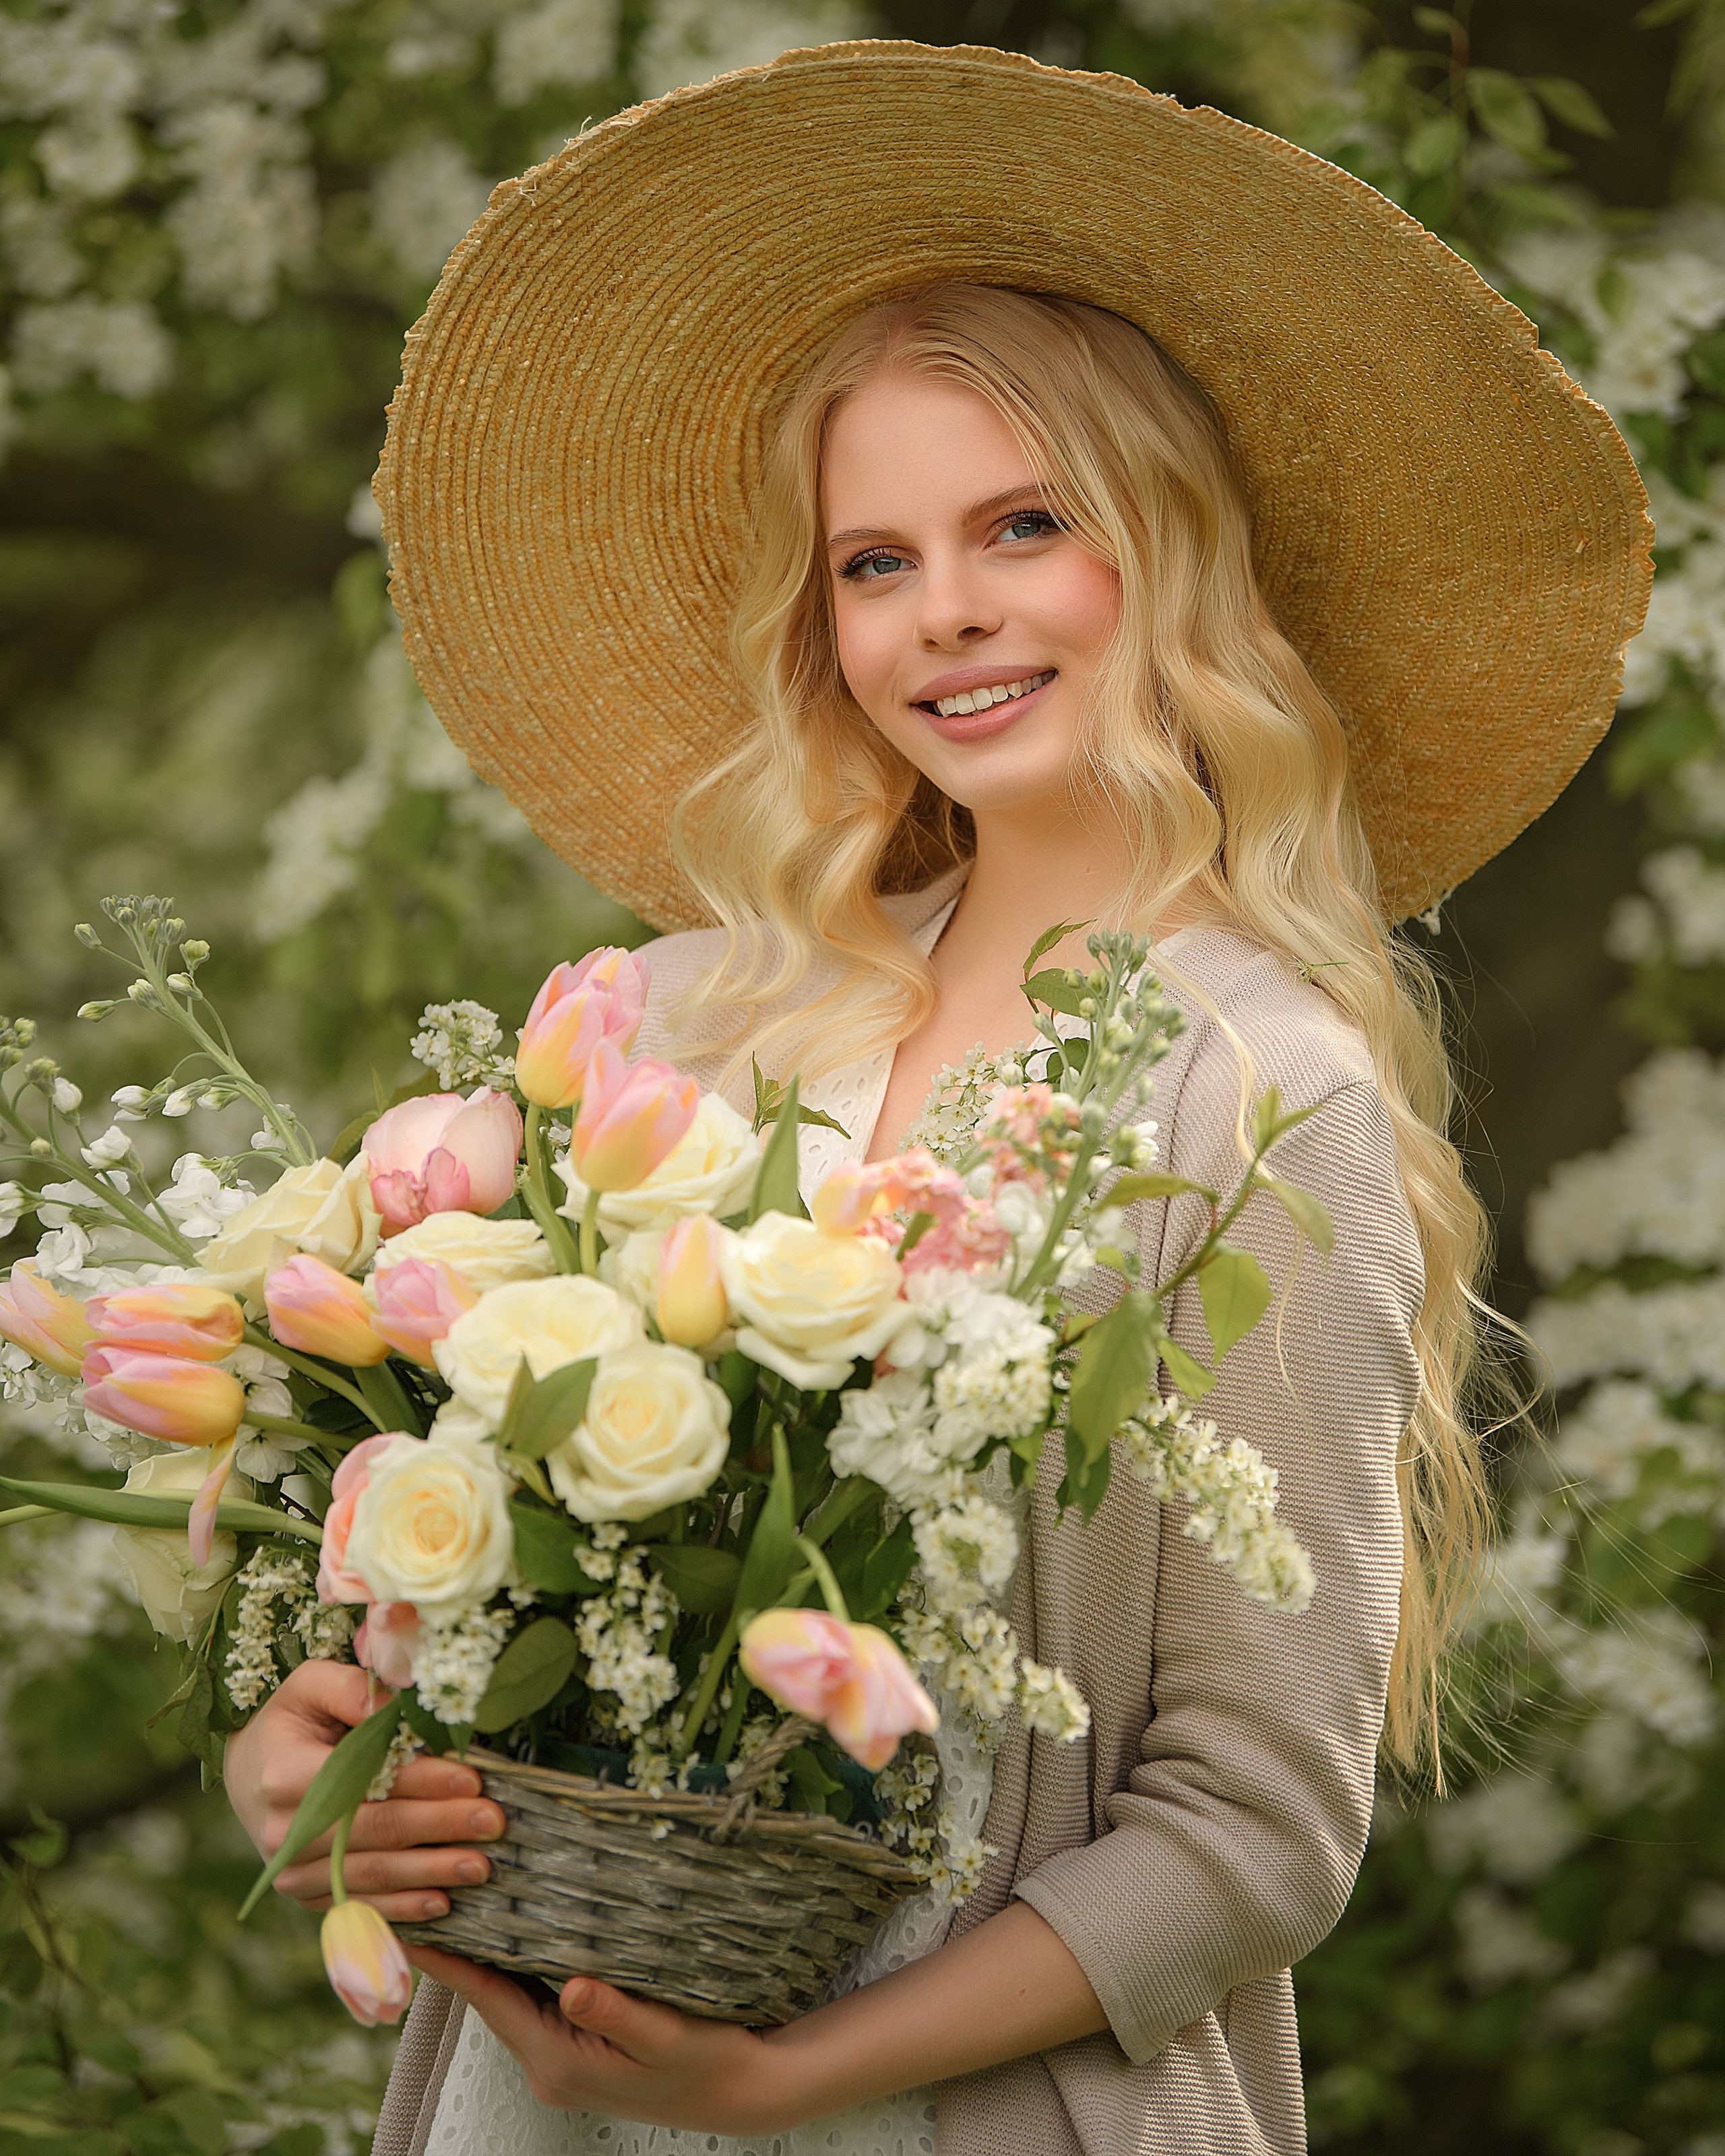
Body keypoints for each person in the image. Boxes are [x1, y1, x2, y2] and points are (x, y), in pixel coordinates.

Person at [224, 42, 1650, 2156]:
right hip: (552, 2096)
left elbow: (1258, 1831)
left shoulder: (1261, 1100)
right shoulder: (684, 1026)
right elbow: (431, 1570)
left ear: (1167, 558)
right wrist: (317, 1749)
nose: (948, 612)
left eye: (1024, 527)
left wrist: (785, 2079)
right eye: (874, 561)